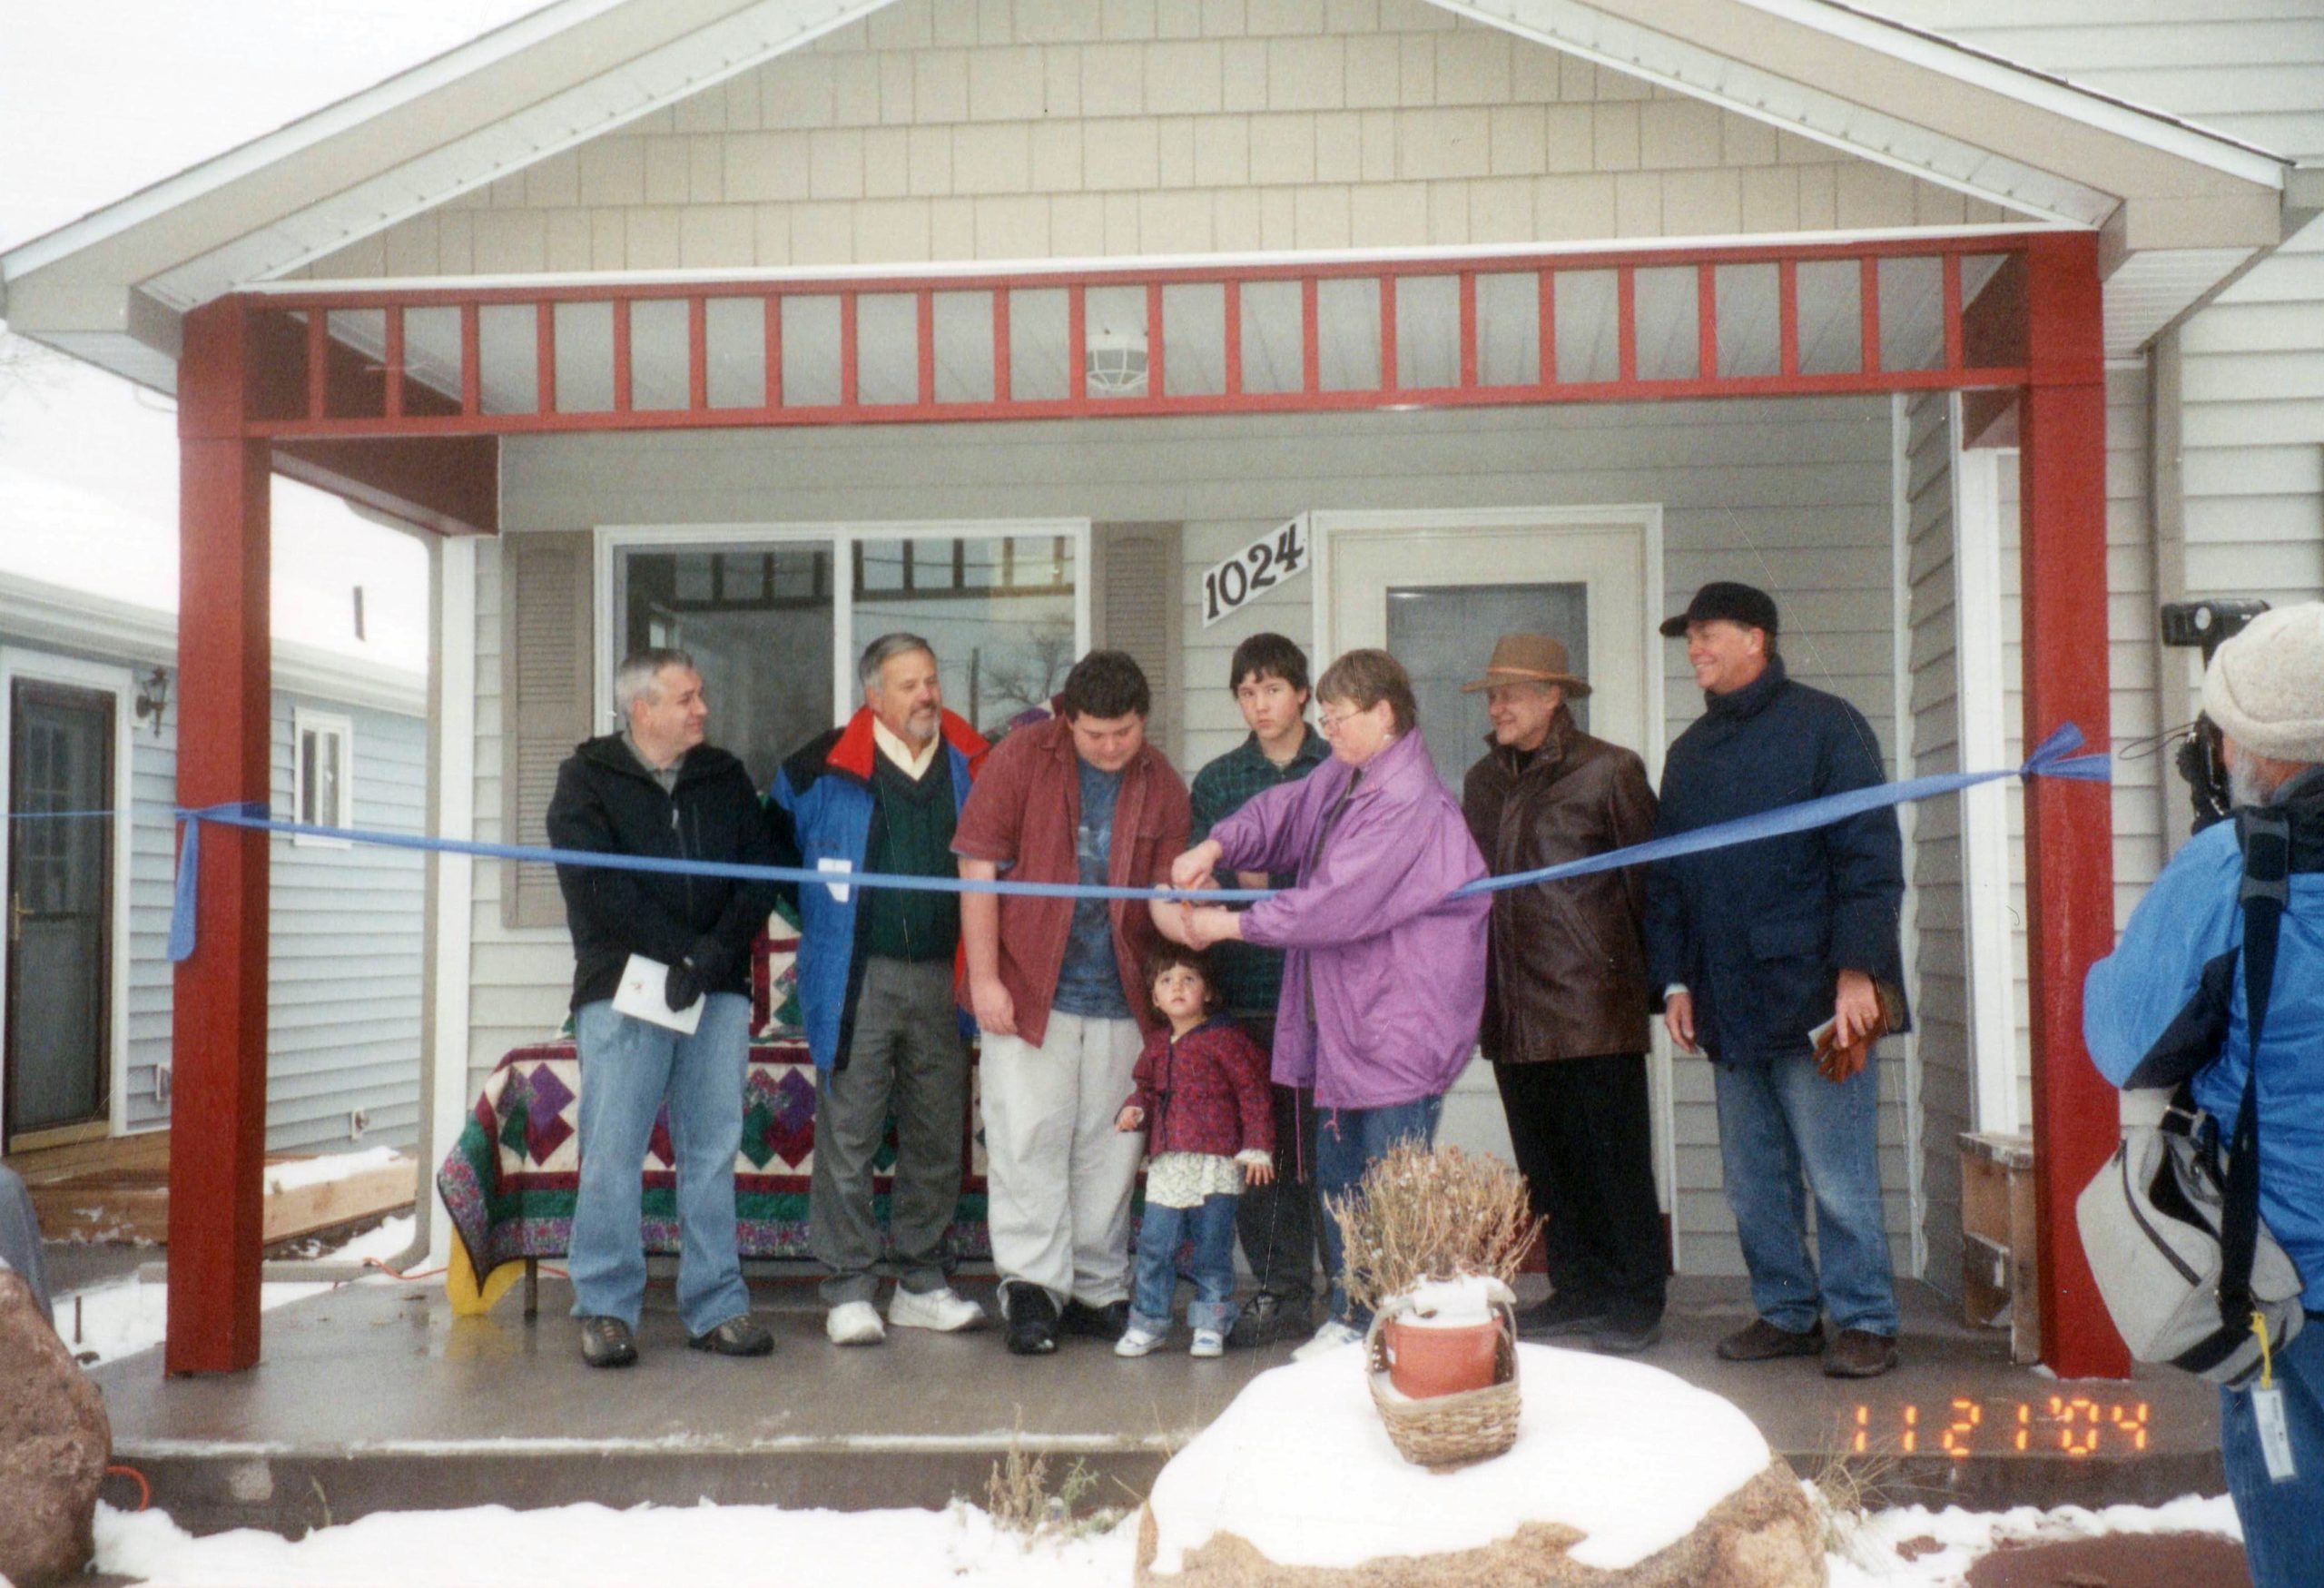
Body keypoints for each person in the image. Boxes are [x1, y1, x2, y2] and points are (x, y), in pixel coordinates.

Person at [2084, 603, 2323, 1588]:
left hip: (2288, 1290)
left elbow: (2123, 1038)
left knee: (2297, 1524)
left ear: (2240, 746)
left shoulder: (2226, 872)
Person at [1167, 647, 1490, 1359]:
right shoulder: (1348, 773)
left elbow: (1334, 902)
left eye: (1338, 718)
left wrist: (1228, 922)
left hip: (1398, 1026)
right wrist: (1218, 842)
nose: (1328, 730)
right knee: (1342, 1179)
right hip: (1348, 1023)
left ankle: (1386, 1327)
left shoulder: (1409, 803)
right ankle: (1351, 1315)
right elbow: (1285, 810)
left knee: (1385, 1186)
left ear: (1383, 716)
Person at [1643, 582, 1908, 1380]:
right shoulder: (1688, 755)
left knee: (1837, 1171)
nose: (1693, 649)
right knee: (1752, 1178)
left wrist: (1859, 973)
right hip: (1727, 1001)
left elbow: (1870, 855)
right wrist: (1674, 982)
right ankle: (1787, 1312)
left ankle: (1865, 1318)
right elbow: (1668, 882)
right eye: (1687, 637)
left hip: (1823, 998)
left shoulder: (1831, 727)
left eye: (1706, 633)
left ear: (1756, 637)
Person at [546, 648, 792, 1368]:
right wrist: (678, 956)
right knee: (613, 1150)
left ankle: (717, 1304)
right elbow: (598, 890)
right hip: (625, 988)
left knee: (712, 1147)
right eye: (686, 698)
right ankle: (605, 1306)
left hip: (714, 989)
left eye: (701, 695)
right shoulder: (586, 779)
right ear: (641, 708)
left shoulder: (724, 777)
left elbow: (756, 875)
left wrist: (711, 959)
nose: (702, 710)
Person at [952, 649, 1192, 1356]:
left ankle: (1096, 1286)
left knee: (1111, 1144)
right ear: (1069, 717)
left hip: (1124, 992)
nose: (1111, 746)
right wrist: (987, 978)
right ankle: (1031, 1287)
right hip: (1029, 988)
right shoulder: (1021, 757)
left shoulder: (1165, 783)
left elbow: (1165, 898)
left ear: (1143, 720)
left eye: (1124, 731)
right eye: (1095, 733)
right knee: (1027, 1135)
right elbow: (976, 868)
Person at [773, 633, 990, 1347]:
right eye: (909, 685)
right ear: (873, 695)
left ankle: (920, 1281)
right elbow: (776, 858)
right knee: (851, 1133)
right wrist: (830, 926)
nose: (928, 694)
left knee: (936, 1133)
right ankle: (848, 1287)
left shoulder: (973, 758)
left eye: (931, 680)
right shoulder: (816, 766)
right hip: (857, 977)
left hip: (944, 976)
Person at [1459, 633, 1666, 1354]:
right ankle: (1578, 1290)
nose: (1497, 705)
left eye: (1513, 692)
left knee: (1614, 1164)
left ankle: (1637, 1300)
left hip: (1591, 1009)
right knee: (1545, 1169)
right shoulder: (1482, 781)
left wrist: (1653, 987)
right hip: (1511, 1009)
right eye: (1492, 693)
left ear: (1555, 695)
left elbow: (1652, 888)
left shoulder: (1611, 770)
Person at [1186, 632, 1331, 1348]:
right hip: (1244, 988)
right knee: (1262, 1148)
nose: (1260, 703)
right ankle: (1279, 1290)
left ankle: (1352, 1290)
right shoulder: (1218, 779)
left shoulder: (1338, 769)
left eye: (1272, 688)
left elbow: (1338, 882)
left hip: (1325, 992)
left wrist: (1263, 884)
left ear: (1303, 692)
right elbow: (1204, 885)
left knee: (1327, 1149)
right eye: (1246, 691)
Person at [1112, 944, 1275, 1359]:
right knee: (1155, 1245)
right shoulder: (1155, 1045)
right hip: (1168, 1163)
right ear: (1154, 997)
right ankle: (1148, 1321)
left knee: (1212, 1247)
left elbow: (1253, 1093)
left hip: (1215, 1163)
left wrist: (1258, 1145)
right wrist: (1134, 1109)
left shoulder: (1226, 1040)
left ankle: (1211, 1322)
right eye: (1166, 981)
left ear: (1208, 992)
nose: (1178, 987)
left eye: (1189, 979)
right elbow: (1146, 1091)